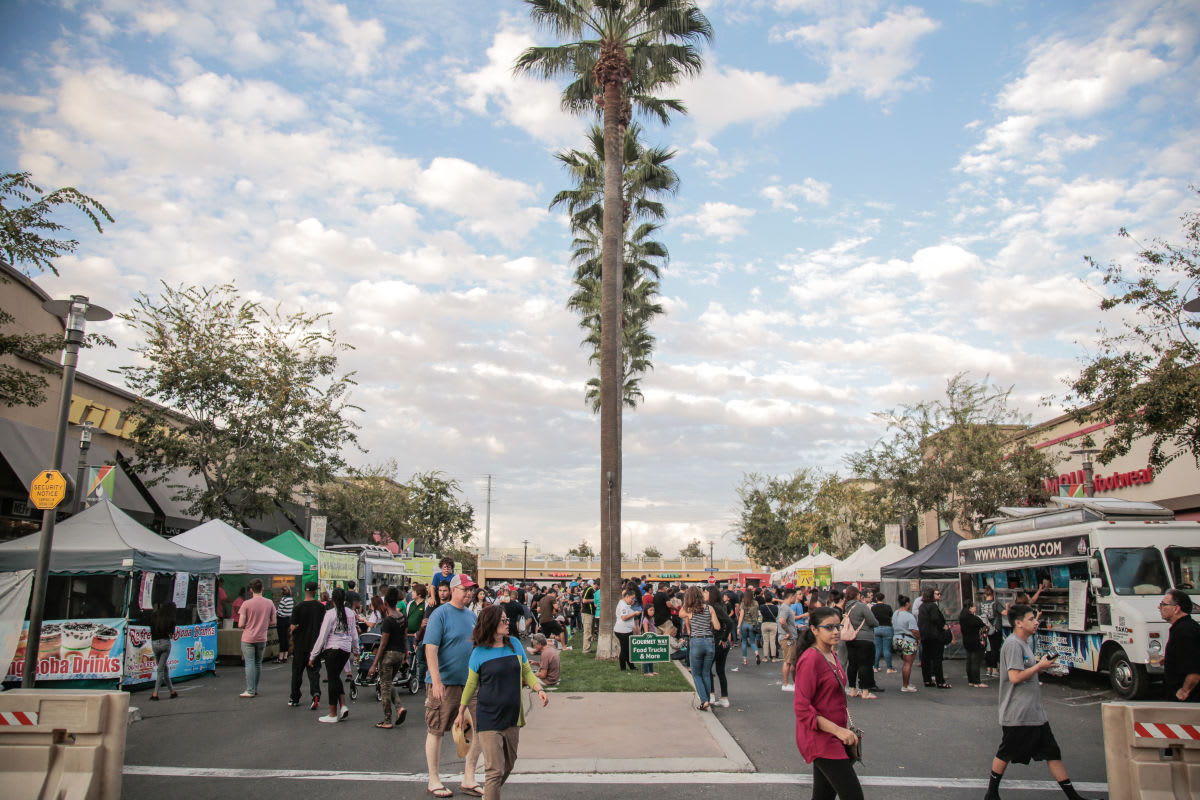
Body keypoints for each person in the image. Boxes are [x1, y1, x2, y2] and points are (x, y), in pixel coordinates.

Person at [984, 605, 1094, 800]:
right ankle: (991, 794)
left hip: (1034, 714)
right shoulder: (1013, 644)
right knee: (1006, 752)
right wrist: (1039, 666)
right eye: (1031, 619)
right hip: (1018, 713)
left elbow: (1026, 672)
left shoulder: (1024, 643)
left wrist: (1043, 668)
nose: (1036, 622)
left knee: (1052, 752)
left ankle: (1073, 797)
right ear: (1018, 622)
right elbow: (1015, 677)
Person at [456, 604, 548, 800]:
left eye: (508, 620)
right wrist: (461, 710)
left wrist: (538, 688)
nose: (508, 624)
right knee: (494, 770)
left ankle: (489, 793)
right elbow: (471, 684)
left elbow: (525, 671)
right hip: (488, 717)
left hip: (512, 715)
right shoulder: (479, 652)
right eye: (504, 620)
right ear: (492, 624)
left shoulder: (514, 644)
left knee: (508, 764)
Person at [793, 606, 864, 800]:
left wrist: (842, 730)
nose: (836, 631)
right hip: (820, 738)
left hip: (834, 735)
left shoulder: (831, 654)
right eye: (829, 627)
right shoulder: (810, 659)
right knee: (853, 796)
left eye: (838, 626)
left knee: (823, 796)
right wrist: (838, 731)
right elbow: (802, 708)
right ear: (814, 630)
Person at [424, 573, 481, 799]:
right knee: (437, 729)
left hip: (470, 684)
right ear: (454, 590)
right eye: (465, 589)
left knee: (478, 728)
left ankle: (469, 778)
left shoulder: (471, 616)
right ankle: (434, 779)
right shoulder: (440, 614)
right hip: (444, 684)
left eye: (471, 590)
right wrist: (436, 680)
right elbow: (431, 648)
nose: (469, 593)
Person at [308, 587, 359, 723]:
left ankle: (332, 713)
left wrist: (313, 655)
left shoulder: (330, 614)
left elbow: (322, 637)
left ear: (332, 599)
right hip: (345, 650)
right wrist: (356, 651)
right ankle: (342, 705)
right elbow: (354, 634)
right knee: (336, 677)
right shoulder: (350, 613)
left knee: (332, 679)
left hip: (332, 649)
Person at [367, 586, 409, 728]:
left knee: (385, 686)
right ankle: (399, 708)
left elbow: (383, 644)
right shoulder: (403, 617)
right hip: (400, 654)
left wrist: (374, 664)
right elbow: (404, 638)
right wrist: (406, 656)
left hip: (388, 656)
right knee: (389, 682)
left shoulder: (388, 621)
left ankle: (387, 720)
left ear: (385, 604)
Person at [679, 586, 719, 710]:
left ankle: (704, 700)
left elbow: (680, 614)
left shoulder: (689, 610)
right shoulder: (709, 608)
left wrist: (687, 602)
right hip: (709, 640)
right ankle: (707, 699)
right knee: (706, 673)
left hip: (696, 641)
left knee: (696, 673)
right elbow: (717, 626)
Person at [289, 582, 326, 709]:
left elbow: (293, 627)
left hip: (300, 644)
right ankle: (315, 693)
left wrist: (296, 629)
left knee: (297, 672)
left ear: (305, 590)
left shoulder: (298, 607)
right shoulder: (320, 607)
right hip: (314, 644)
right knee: (314, 671)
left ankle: (294, 697)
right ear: (315, 591)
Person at [1159, 588, 1200, 702]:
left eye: (1163, 604)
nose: (1159, 607)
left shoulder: (1185, 631)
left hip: (1189, 699)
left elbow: (1195, 668)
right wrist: (1169, 659)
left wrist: (1185, 691)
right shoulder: (1181, 628)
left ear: (1176, 609)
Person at [238, 579, 276, 698]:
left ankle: (250, 690)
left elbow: (240, 624)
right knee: (258, 663)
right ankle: (254, 688)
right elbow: (274, 621)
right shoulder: (269, 603)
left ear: (251, 590)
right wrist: (264, 623)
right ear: (262, 588)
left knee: (249, 663)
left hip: (248, 637)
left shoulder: (246, 604)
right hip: (262, 637)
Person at [842, 586, 879, 699]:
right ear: (856, 595)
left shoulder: (846, 607)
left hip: (850, 638)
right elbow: (873, 622)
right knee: (865, 664)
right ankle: (865, 691)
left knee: (852, 664)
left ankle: (853, 689)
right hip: (865, 638)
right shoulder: (862, 606)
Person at [918, 587, 951, 689]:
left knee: (926, 658)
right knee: (937, 659)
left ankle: (927, 680)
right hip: (935, 635)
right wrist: (943, 626)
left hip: (925, 635)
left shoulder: (922, 606)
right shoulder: (933, 606)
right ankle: (940, 681)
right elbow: (936, 618)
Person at [707, 585, 733, 706]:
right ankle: (724, 697)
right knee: (720, 670)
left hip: (717, 639)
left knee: (708, 668)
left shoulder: (715, 607)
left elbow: (729, 622)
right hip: (721, 640)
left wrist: (723, 638)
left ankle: (711, 695)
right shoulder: (721, 606)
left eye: (706, 593)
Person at [891, 595, 920, 692]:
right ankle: (905, 685)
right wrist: (919, 638)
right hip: (907, 640)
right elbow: (914, 630)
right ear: (907, 603)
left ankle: (906, 683)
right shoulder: (909, 616)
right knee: (908, 664)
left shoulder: (895, 613)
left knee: (905, 663)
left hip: (896, 639)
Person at [149, 601, 177, 701]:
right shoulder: (171, 619)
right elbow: (171, 634)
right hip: (165, 643)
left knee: (163, 668)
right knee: (161, 669)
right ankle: (155, 693)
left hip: (155, 643)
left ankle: (172, 691)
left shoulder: (154, 616)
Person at [960, 599, 989, 688]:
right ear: (970, 608)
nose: (975, 608)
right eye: (974, 606)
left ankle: (971, 681)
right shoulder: (974, 618)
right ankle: (977, 682)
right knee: (976, 661)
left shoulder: (962, 616)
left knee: (969, 661)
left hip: (966, 640)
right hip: (976, 640)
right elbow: (984, 626)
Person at [613, 588, 640, 671]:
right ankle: (623, 668)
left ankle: (631, 666)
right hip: (623, 630)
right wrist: (634, 613)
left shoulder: (624, 604)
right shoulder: (623, 605)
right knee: (624, 650)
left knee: (628, 649)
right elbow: (624, 617)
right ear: (627, 596)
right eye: (632, 598)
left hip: (625, 630)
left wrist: (631, 605)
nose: (633, 600)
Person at [980, 587, 1004, 678]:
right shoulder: (995, 603)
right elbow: (1005, 612)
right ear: (993, 594)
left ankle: (988, 668)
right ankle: (995, 669)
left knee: (988, 649)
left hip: (986, 629)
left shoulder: (981, 604)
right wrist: (1008, 607)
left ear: (985, 595)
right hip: (996, 629)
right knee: (995, 649)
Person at [778, 586, 799, 692]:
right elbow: (782, 620)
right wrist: (788, 632)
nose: (796, 599)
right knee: (788, 661)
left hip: (790, 638)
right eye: (795, 596)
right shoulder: (785, 607)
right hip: (788, 639)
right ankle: (785, 684)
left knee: (791, 661)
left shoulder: (785, 607)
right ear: (792, 596)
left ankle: (792, 683)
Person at [870, 593, 895, 674]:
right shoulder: (888, 607)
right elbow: (891, 615)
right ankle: (889, 668)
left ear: (876, 598)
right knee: (887, 649)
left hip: (877, 628)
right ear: (883, 598)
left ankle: (875, 667)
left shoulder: (873, 608)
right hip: (887, 628)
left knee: (878, 649)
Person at [738, 590, 761, 666]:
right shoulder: (756, 603)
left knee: (744, 641)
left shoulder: (743, 603)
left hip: (744, 624)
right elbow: (757, 614)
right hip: (752, 625)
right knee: (752, 642)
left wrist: (738, 627)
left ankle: (745, 660)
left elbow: (741, 616)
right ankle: (756, 653)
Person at [275, 585, 293, 663]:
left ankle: (280, 657)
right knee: (286, 638)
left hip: (281, 620)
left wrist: (275, 612)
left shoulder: (283, 600)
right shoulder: (291, 599)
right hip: (288, 620)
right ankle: (285, 656)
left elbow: (278, 612)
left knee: (281, 639)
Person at [581, 580, 597, 653]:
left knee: (590, 631)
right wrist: (595, 600)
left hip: (591, 613)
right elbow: (584, 600)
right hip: (587, 613)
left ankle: (588, 648)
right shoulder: (589, 589)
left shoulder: (593, 590)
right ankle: (586, 649)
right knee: (587, 631)